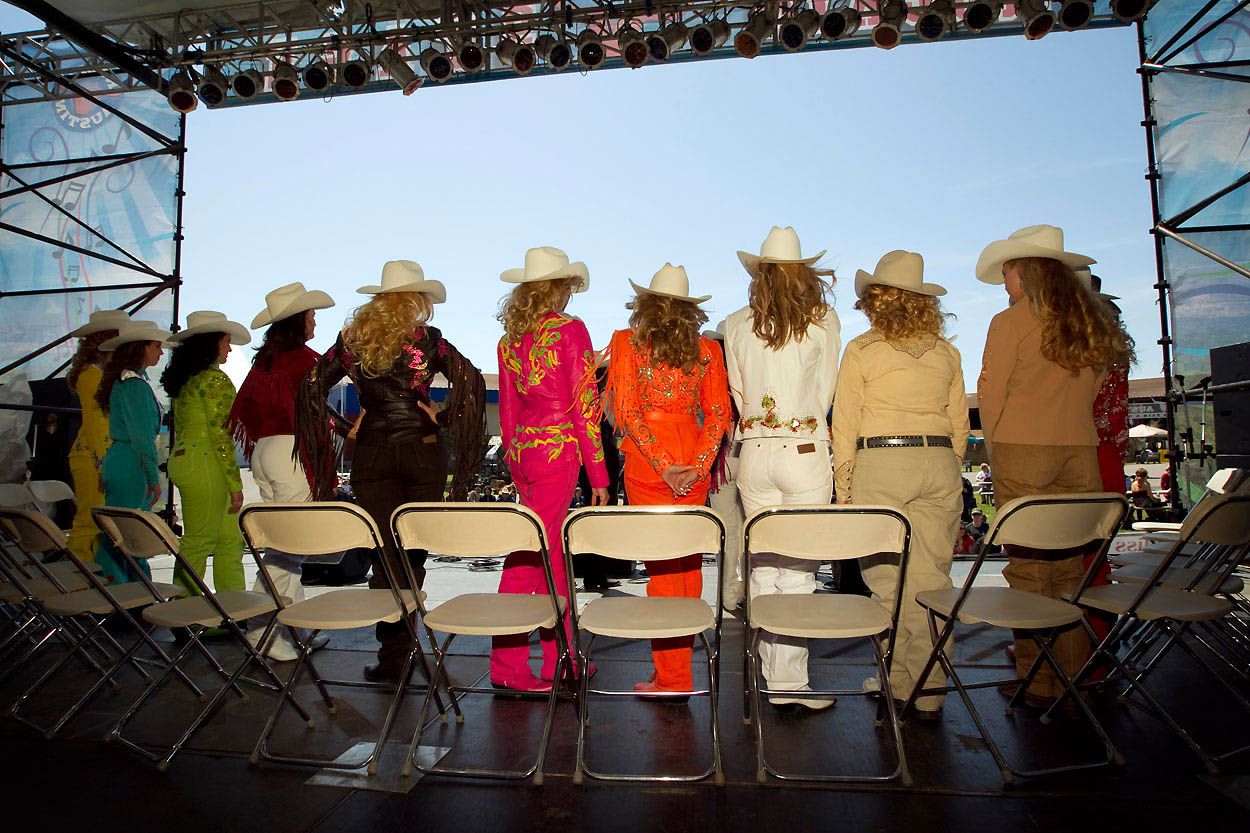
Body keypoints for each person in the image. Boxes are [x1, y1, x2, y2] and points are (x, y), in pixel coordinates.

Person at [298, 260, 486, 682]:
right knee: (412, 549)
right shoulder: (428, 340)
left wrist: (345, 429)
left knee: (384, 551)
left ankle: (392, 656)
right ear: (416, 300)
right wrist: (444, 416)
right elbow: (472, 383)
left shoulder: (353, 341)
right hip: (423, 448)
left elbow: (310, 388)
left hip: (374, 451)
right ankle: (402, 649)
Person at [976, 224, 1133, 706]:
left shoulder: (1011, 322)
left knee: (1029, 571)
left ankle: (1039, 681)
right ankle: (1075, 674)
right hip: (1080, 451)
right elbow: (1097, 384)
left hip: (1024, 449)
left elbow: (991, 390)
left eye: (1008, 275)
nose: (1005, 285)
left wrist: (1000, 444)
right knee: (1070, 572)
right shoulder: (1089, 320)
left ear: (1026, 272)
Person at [832, 250, 967, 720]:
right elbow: (959, 424)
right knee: (932, 579)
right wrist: (949, 466)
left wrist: (844, 485)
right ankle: (927, 686)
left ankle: (897, 678)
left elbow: (844, 424)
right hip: (939, 461)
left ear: (877, 300)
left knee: (888, 580)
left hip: (883, 461)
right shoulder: (948, 352)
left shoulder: (863, 349)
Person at [724, 226, 840, 710]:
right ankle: (788, 683)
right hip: (805, 449)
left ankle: (767, 669)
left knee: (762, 564)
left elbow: (737, 391)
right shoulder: (823, 319)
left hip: (754, 450)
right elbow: (827, 389)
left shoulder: (734, 324)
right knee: (797, 569)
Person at [606, 263, 730, 697]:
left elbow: (629, 415)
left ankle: (673, 678)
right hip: (693, 455)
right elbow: (719, 415)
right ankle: (678, 675)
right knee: (688, 565)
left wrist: (663, 465)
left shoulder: (627, 344)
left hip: (647, 463)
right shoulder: (708, 351)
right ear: (689, 310)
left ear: (646, 305)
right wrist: (696, 464)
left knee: (662, 570)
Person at [491, 246, 608, 692]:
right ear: (559, 288)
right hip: (560, 451)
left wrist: (516, 462)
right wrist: (598, 473)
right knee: (534, 555)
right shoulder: (570, 330)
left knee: (545, 550)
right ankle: (518, 664)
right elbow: (584, 405)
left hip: (525, 451)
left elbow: (508, 411)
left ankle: (561, 658)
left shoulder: (509, 339)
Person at [230, 281, 335, 660]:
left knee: (283, 546)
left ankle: (293, 628)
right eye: (311, 316)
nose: (315, 323)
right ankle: (264, 633)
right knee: (287, 549)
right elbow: (314, 408)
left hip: (265, 451)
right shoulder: (303, 359)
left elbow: (249, 412)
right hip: (290, 452)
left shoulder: (266, 360)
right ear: (297, 321)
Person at [161, 311, 251, 596]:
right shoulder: (214, 381)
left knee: (227, 538)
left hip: (188, 459)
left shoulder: (187, 381)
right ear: (211, 344)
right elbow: (220, 435)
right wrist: (235, 484)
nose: (229, 348)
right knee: (201, 540)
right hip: (206, 463)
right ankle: (187, 610)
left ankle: (223, 604)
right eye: (226, 342)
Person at [94, 319, 172, 584]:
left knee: (120, 531)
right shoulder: (135, 385)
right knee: (128, 533)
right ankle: (125, 593)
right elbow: (141, 438)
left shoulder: (127, 381)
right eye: (156, 346)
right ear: (140, 348)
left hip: (123, 459)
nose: (160, 352)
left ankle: (127, 589)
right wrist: (152, 478)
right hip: (131, 464)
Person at [64, 309, 129, 564]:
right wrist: (104, 466)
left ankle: (87, 576)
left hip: (95, 455)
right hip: (92, 457)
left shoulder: (97, 373)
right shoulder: (91, 375)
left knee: (96, 522)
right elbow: (95, 425)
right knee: (89, 522)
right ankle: (77, 577)